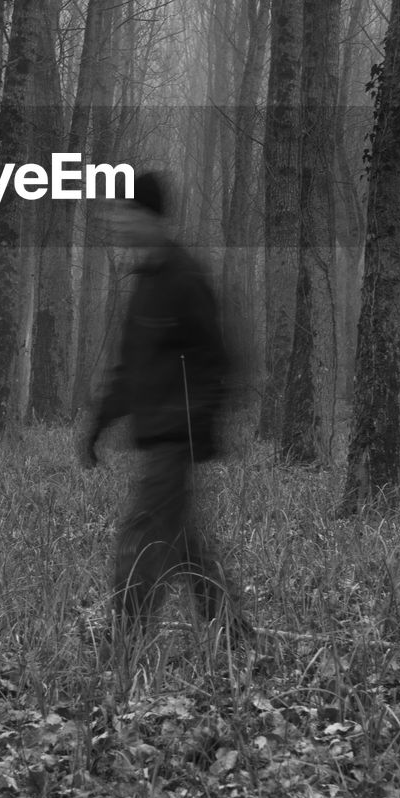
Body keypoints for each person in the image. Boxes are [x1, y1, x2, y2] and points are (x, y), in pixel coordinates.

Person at [79, 171, 248, 651]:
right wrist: (98, 424)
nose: (116, 221)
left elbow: (220, 358)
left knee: (141, 537)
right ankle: (233, 635)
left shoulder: (184, 277)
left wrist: (195, 421)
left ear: (149, 218)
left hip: (178, 436)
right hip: (158, 433)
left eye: (125, 211)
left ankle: (125, 645)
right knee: (186, 546)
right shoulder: (146, 282)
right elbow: (130, 366)